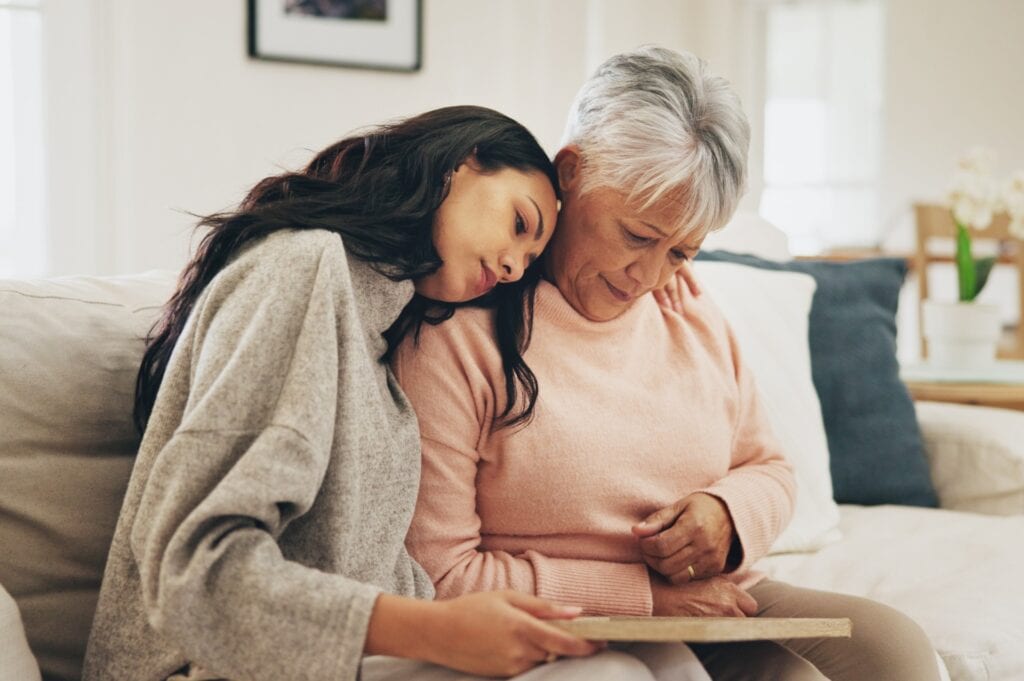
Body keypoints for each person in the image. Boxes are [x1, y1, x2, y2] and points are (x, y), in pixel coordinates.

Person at [82, 105, 689, 681]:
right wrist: (433, 630)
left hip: (346, 664)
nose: (513, 268)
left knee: (667, 662)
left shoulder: (381, 335)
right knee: (613, 675)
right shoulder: (303, 268)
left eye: (528, 260)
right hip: (208, 667)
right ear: (459, 163)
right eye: (519, 223)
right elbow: (190, 572)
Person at [393, 48, 943, 681]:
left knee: (891, 650)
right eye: (637, 236)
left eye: (682, 251)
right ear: (570, 172)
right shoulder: (461, 326)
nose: (649, 278)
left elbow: (768, 466)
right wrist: (641, 598)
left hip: (701, 601)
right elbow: (440, 576)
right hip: (549, 613)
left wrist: (726, 515)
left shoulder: (688, 307)